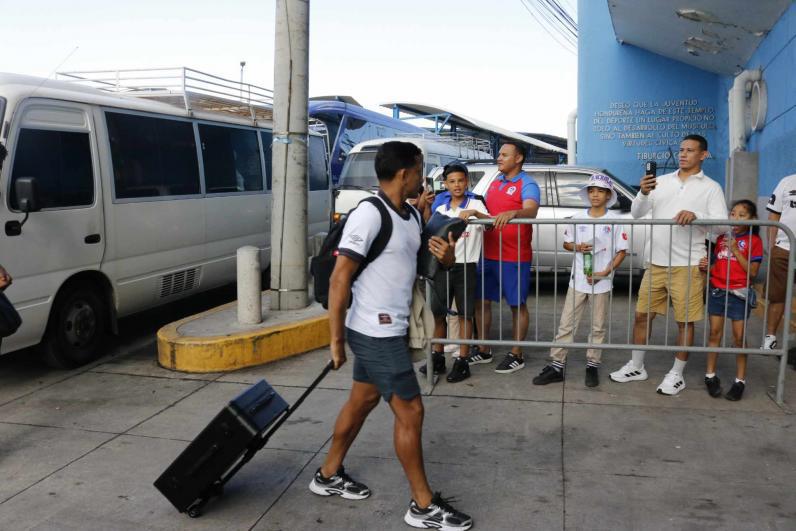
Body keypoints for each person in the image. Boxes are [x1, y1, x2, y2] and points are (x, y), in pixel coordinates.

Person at [309, 141, 473, 530]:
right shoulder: (369, 214)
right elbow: (339, 278)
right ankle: (423, 505)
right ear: (404, 174)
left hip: (393, 328)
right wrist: (336, 340)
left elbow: (419, 266)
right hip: (374, 331)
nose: (424, 178)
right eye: (420, 170)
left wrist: (447, 258)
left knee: (362, 401)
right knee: (411, 411)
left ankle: (328, 475)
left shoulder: (411, 215)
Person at [610, 134, 728, 395]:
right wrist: (643, 192)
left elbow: (722, 226)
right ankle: (636, 366)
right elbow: (637, 213)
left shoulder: (711, 188)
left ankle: (676, 374)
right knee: (642, 316)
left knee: (685, 322)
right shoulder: (660, 182)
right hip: (656, 262)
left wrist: (698, 216)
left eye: (690, 150)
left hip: (688, 264)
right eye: (681, 149)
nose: (683, 154)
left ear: (703, 155)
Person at [533, 174, 628, 387]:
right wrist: (578, 247)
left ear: (608, 195)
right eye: (592, 191)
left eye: (600, 191)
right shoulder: (577, 217)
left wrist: (605, 272)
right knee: (567, 323)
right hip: (578, 281)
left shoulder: (614, 221)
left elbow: (622, 251)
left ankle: (592, 365)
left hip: (602, 283)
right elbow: (566, 243)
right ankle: (557, 365)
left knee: (598, 326)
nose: (595, 195)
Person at [473, 141, 541, 374]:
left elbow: (531, 209)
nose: (498, 158)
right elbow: (490, 215)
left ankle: (516, 354)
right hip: (487, 253)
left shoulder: (527, 183)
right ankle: (483, 349)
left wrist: (515, 212)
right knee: (481, 301)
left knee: (516, 305)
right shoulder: (496, 182)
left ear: (518, 158)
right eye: (499, 154)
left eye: (504, 154)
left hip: (514, 256)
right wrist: (475, 213)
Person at [422, 163, 490, 383]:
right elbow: (430, 229)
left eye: (461, 180)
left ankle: (462, 360)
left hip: (466, 265)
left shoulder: (476, 203)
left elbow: (491, 224)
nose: (457, 185)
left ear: (467, 181)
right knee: (438, 313)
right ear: (445, 184)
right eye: (452, 181)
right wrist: (425, 206)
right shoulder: (441, 208)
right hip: (442, 266)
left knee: (465, 314)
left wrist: (476, 214)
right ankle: (438, 356)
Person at [700, 200, 763, 401]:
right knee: (714, 333)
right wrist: (707, 267)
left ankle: (740, 381)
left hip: (739, 294)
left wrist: (736, 250)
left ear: (752, 219)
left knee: (738, 338)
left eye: (742, 215)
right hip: (717, 291)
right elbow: (718, 266)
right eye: (733, 213)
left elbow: (752, 273)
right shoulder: (721, 238)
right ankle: (710, 376)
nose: (735, 218)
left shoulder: (754, 241)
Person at [762, 172, 796, 362]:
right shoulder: (787, 182)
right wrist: (772, 246)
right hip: (783, 248)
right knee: (777, 295)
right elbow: (774, 215)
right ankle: (770, 337)